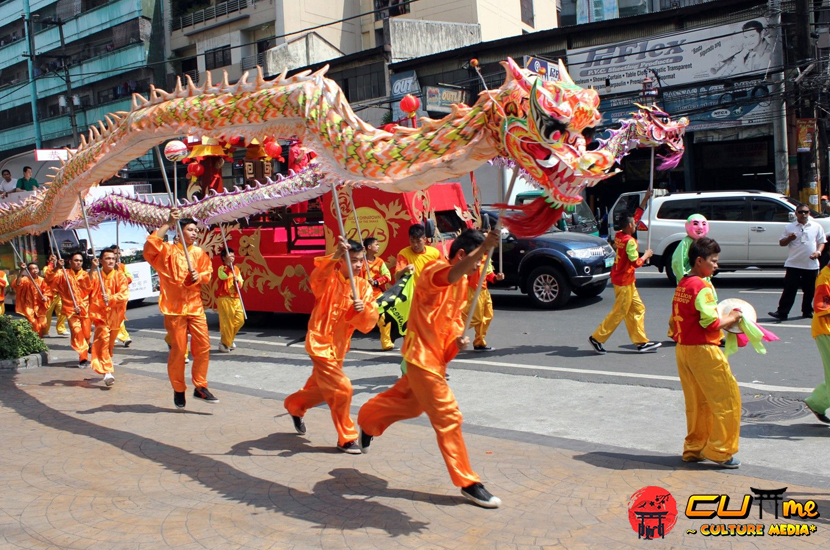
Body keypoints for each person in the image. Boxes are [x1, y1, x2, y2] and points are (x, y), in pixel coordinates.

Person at [357, 229, 504, 509]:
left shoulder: (462, 286)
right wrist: (484, 245)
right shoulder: (435, 271)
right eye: (476, 262)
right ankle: (468, 482)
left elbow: (447, 323)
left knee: (412, 407)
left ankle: (368, 419)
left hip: (433, 360)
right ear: (461, 255)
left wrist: (457, 341)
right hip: (421, 358)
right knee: (449, 416)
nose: (477, 269)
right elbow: (449, 275)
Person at [284, 236, 378, 454]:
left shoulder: (362, 287)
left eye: (360, 260)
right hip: (319, 342)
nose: (357, 265)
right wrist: (335, 254)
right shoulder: (329, 279)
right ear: (342, 261)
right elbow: (315, 278)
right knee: (342, 388)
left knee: (321, 389)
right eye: (352, 260)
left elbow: (369, 321)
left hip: (339, 346)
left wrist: (362, 308)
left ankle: (295, 405)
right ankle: (347, 437)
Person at [672, 237, 743, 468]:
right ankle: (721, 451)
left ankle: (695, 448)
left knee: (696, 403)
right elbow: (711, 323)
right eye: (713, 261)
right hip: (704, 350)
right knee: (727, 400)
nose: (716, 265)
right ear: (699, 260)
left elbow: (673, 323)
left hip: (683, 350)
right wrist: (733, 317)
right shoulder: (702, 287)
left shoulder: (683, 283)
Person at [144, 211, 216, 409]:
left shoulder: (199, 253)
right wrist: (167, 223)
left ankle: (200, 386)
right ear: (180, 231)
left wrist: (198, 276)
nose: (194, 233)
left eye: (196, 230)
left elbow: (208, 274)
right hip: (174, 309)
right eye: (190, 230)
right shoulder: (166, 252)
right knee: (179, 350)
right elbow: (150, 248)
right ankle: (178, 388)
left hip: (195, 306)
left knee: (203, 347)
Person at [589, 192, 661, 354]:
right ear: (629, 226)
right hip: (624, 282)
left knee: (638, 309)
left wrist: (645, 199)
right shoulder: (630, 242)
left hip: (626, 281)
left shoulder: (620, 235)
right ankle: (597, 338)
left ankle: (641, 342)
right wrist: (647, 255)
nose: (636, 225)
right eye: (634, 224)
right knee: (619, 312)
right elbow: (636, 263)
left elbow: (635, 216)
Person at [769, 205, 826, 321]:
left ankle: (807, 311)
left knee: (810, 289)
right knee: (790, 289)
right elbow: (782, 243)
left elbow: (822, 241)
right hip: (794, 264)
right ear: (796, 214)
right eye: (801, 212)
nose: (803, 214)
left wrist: (818, 252)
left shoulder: (816, 226)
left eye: (806, 212)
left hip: (811, 264)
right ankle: (782, 312)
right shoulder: (790, 227)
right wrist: (790, 238)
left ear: (809, 213)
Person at [88, 248, 130, 386]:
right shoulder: (95, 276)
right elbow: (85, 287)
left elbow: (124, 295)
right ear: (100, 261)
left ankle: (107, 361)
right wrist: (92, 270)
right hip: (100, 315)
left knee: (109, 345)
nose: (111, 261)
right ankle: (108, 372)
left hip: (116, 316)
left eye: (112, 258)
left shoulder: (120, 276)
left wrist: (111, 297)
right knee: (103, 341)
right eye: (107, 258)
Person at [44, 253, 92, 367]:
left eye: (80, 261)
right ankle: (83, 357)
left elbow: (91, 288)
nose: (78, 263)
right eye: (76, 260)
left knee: (86, 334)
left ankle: (87, 346)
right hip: (71, 309)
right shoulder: (63, 273)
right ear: (70, 261)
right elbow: (49, 279)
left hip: (85, 308)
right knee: (76, 331)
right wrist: (57, 267)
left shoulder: (85, 275)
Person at [462, 248, 504, 352]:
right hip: (473, 290)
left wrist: (496, 278)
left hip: (484, 290)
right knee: (475, 318)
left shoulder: (486, 256)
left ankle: (479, 342)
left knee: (488, 316)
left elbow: (488, 273)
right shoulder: (472, 254)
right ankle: (452, 335)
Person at [806, 260, 830, 423]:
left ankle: (816, 402)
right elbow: (822, 308)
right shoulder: (825, 277)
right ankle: (816, 403)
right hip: (826, 331)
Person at [361, 237, 394, 351]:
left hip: (376, 294)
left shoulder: (380, 262)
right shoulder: (360, 261)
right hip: (363, 295)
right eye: (376, 244)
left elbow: (388, 276)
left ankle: (386, 343)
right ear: (369, 247)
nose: (378, 246)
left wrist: (376, 282)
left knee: (384, 317)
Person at [216, 247, 245, 353]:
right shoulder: (222, 268)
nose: (232, 258)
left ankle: (228, 340)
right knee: (227, 323)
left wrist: (238, 281)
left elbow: (241, 281)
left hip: (236, 297)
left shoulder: (236, 268)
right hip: (225, 297)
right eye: (230, 256)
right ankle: (225, 343)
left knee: (240, 320)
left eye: (233, 255)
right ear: (224, 258)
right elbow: (222, 276)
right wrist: (231, 274)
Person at [13, 262, 51, 337]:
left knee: (43, 324)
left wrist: (45, 297)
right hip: (28, 306)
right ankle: (36, 340)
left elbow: (48, 291)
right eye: (32, 269)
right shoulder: (25, 280)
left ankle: (33, 337)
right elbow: (17, 284)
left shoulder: (42, 280)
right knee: (34, 324)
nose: (35, 270)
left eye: (36, 268)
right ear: (29, 271)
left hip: (40, 306)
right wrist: (21, 271)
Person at [113, 246, 133, 348]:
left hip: (123, 296)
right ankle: (124, 337)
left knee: (119, 317)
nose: (117, 255)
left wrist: (120, 273)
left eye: (119, 253)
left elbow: (130, 278)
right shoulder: (106, 267)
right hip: (112, 297)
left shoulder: (122, 266)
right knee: (117, 317)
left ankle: (113, 336)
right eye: (115, 253)